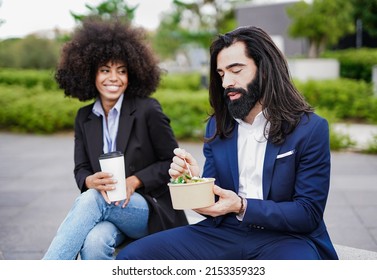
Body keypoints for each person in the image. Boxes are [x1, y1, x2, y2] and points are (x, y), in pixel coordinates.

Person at [116, 26, 339, 260]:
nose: (226, 83)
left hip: (288, 239)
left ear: (265, 69)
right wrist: (194, 182)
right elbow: (214, 205)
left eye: (236, 70)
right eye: (221, 74)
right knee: (131, 259)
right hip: (225, 233)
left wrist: (242, 206)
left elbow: (308, 213)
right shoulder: (218, 126)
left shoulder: (310, 129)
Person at [43, 19, 188, 260]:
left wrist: (134, 181)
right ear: (90, 73)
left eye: (121, 71)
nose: (114, 78)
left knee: (92, 200)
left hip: (150, 209)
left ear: (133, 74)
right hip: (110, 206)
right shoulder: (84, 117)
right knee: (94, 242)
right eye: (105, 70)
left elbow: (172, 163)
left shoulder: (147, 110)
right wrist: (89, 179)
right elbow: (81, 168)